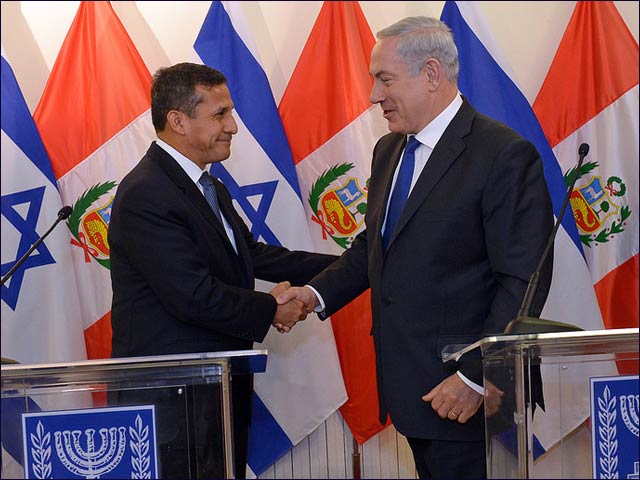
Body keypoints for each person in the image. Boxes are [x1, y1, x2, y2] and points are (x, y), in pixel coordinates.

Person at [276, 16, 553, 478]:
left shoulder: (502, 153)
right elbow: (377, 245)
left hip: (463, 392)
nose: (374, 96)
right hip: (410, 387)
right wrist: (314, 295)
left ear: (430, 74)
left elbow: (524, 280)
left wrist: (474, 375)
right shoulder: (389, 150)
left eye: (384, 79)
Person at [108, 62, 336, 479]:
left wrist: (358, 266)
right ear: (177, 120)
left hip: (215, 394)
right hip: (170, 409)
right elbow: (193, 295)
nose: (233, 126)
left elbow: (253, 256)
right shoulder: (147, 192)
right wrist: (271, 309)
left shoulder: (209, 185)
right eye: (220, 114)